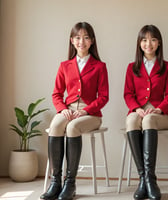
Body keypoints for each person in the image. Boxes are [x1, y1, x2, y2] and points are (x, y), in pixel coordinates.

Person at [40, 22, 109, 200]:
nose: (81, 41)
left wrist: (86, 110)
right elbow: (56, 94)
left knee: (72, 128)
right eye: (77, 37)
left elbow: (103, 97)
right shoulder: (65, 66)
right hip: (68, 110)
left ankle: (70, 183)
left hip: (91, 114)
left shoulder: (100, 66)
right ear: (72, 40)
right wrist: (63, 110)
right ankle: (56, 182)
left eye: (86, 37)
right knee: (55, 126)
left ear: (92, 41)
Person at [124, 25, 168, 200]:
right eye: (144, 40)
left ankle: (150, 180)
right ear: (139, 43)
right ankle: (144, 179)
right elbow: (128, 94)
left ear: (159, 43)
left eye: (153, 39)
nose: (149, 44)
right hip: (137, 111)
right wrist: (137, 109)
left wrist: (159, 109)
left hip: (160, 115)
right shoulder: (132, 67)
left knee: (148, 121)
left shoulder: (167, 67)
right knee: (131, 121)